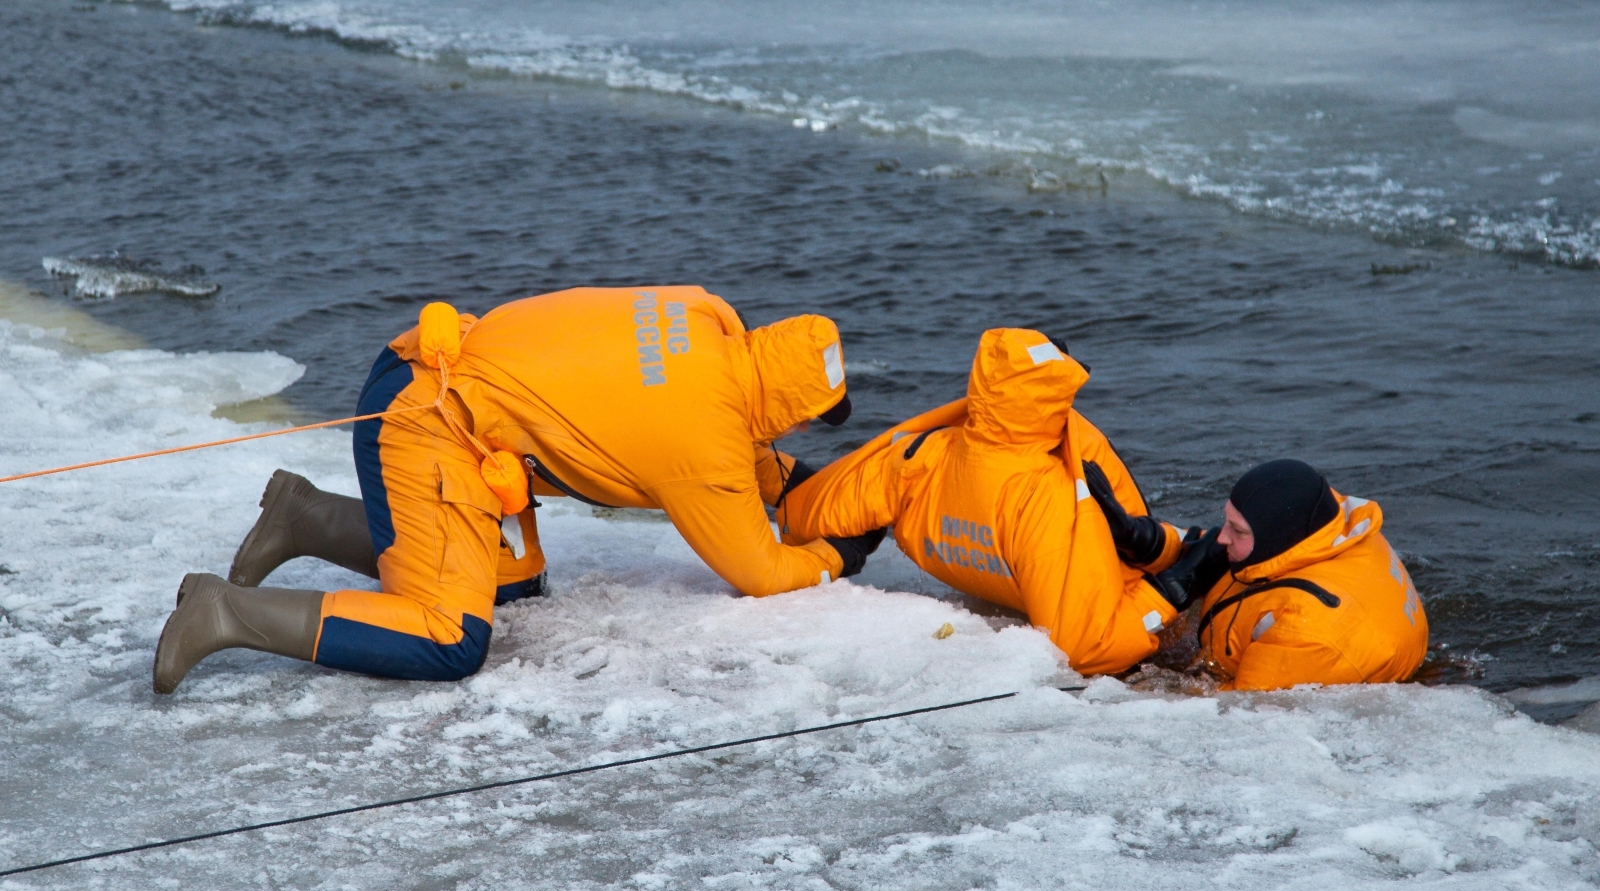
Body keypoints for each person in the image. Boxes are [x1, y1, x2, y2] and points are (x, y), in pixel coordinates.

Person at [153, 286, 884, 693]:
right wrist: (834, 555)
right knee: (452, 638)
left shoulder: (704, 315)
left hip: (419, 364)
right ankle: (227, 611)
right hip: (424, 426)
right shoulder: (708, 448)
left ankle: (303, 517)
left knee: (514, 587)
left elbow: (670, 422)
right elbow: (758, 567)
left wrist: (786, 483)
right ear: (793, 411)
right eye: (806, 426)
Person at [777, 327, 1225, 676]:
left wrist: (847, 546)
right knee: (1200, 554)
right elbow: (1088, 650)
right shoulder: (1048, 492)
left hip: (1007, 565)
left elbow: (804, 513)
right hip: (1113, 608)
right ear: (1055, 393)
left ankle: (1175, 544)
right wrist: (1171, 590)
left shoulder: (923, 453)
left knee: (1176, 542)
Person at [1092, 459, 1428, 690]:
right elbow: (1214, 546)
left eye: (1236, 530)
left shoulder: (1310, 631)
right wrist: (1143, 539)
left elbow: (1239, 709)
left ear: (1276, 541)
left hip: (1317, 664)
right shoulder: (1321, 524)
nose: (1222, 537)